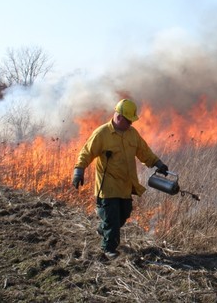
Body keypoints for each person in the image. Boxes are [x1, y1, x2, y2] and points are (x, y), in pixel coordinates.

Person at [72, 98, 169, 258]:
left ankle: (104, 228)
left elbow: (144, 151)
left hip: (125, 185)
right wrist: (78, 171)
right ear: (119, 117)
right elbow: (86, 152)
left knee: (124, 213)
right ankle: (108, 249)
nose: (131, 124)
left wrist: (158, 164)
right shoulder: (102, 134)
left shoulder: (132, 134)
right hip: (108, 186)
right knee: (113, 219)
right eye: (129, 120)